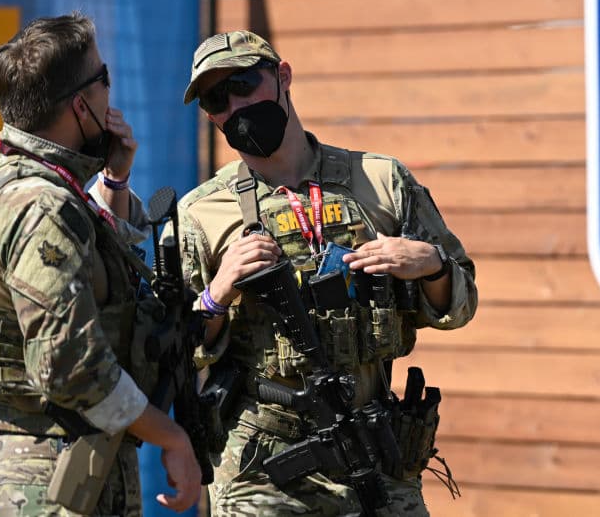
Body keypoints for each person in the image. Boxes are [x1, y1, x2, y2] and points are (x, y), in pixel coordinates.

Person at [175, 30, 478, 515]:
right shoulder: (202, 212)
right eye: (216, 98)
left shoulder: (380, 181)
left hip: (374, 449)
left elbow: (461, 305)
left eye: (245, 83)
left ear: (283, 77)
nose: (234, 105)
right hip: (263, 469)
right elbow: (175, 352)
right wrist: (217, 293)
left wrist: (430, 266)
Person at [0, 13, 201, 515]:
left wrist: (114, 179)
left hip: (40, 457)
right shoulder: (42, 208)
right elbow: (70, 367)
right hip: (61, 473)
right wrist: (171, 437)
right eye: (104, 80)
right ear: (80, 104)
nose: (108, 94)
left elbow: (88, 269)